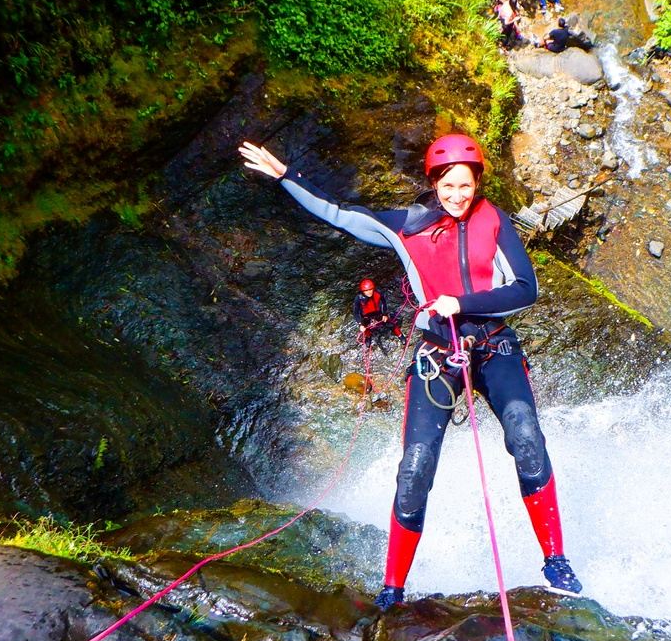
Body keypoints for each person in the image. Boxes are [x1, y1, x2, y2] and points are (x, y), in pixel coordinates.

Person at [239, 134, 583, 610]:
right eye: (448, 186)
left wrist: (462, 303)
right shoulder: (407, 226)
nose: (458, 196)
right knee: (415, 469)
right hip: (438, 356)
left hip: (493, 347)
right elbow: (340, 213)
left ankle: (555, 561)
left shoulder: (494, 221)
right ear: (434, 184)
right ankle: (393, 587)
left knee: (526, 437)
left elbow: (526, 290)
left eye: (466, 185)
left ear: (478, 182)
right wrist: (285, 176)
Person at [354, 278, 401, 351]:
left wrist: (385, 314)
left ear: (373, 289)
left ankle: (400, 335)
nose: (369, 292)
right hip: (366, 316)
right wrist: (360, 324)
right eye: (366, 290)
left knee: (390, 323)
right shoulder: (359, 298)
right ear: (363, 291)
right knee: (365, 327)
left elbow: (384, 303)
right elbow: (356, 312)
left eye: (370, 289)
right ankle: (368, 337)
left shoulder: (378, 293)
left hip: (378, 313)